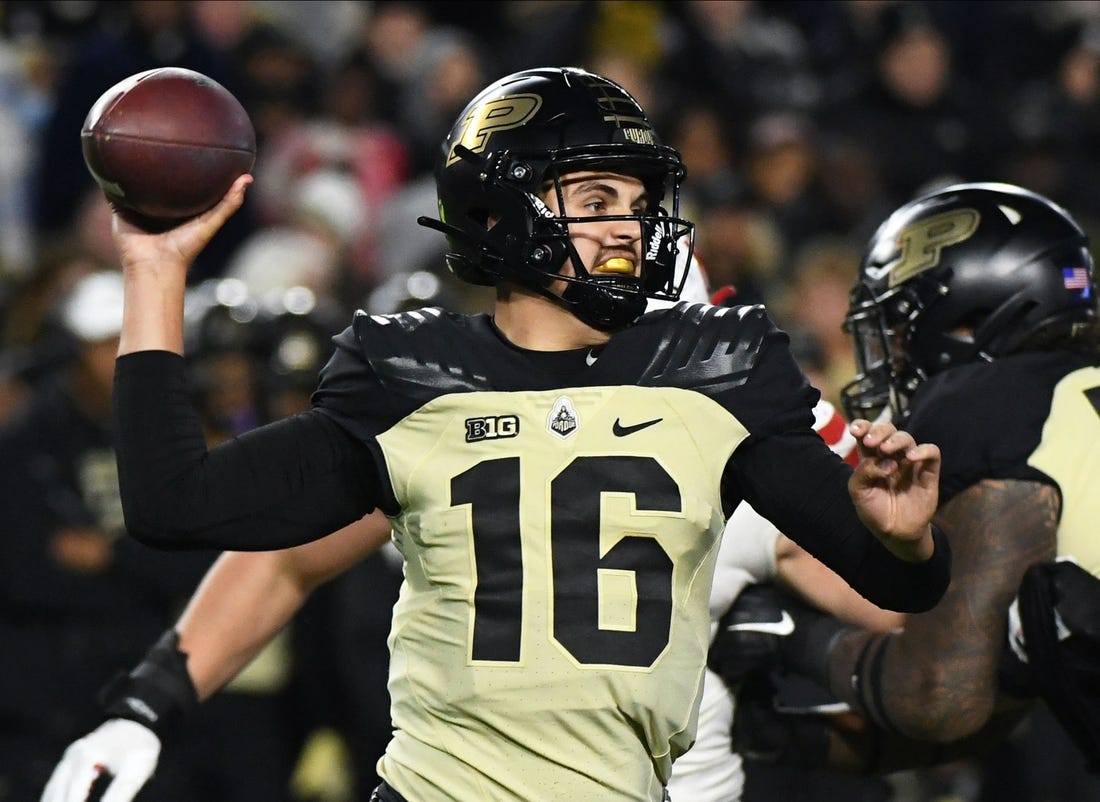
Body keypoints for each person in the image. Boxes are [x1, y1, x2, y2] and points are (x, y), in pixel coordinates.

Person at [42, 66, 950, 802]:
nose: (627, 230)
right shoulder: (413, 376)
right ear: (502, 211)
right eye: (596, 198)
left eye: (633, 201)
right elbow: (190, 511)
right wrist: (152, 271)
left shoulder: (722, 369)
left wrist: (899, 540)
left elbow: (899, 587)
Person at [714, 181, 1100, 778]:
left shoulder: (989, 403)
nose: (890, 356)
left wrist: (795, 638)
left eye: (897, 330)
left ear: (964, 317)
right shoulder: (1067, 398)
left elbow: (940, 695)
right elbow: (993, 692)